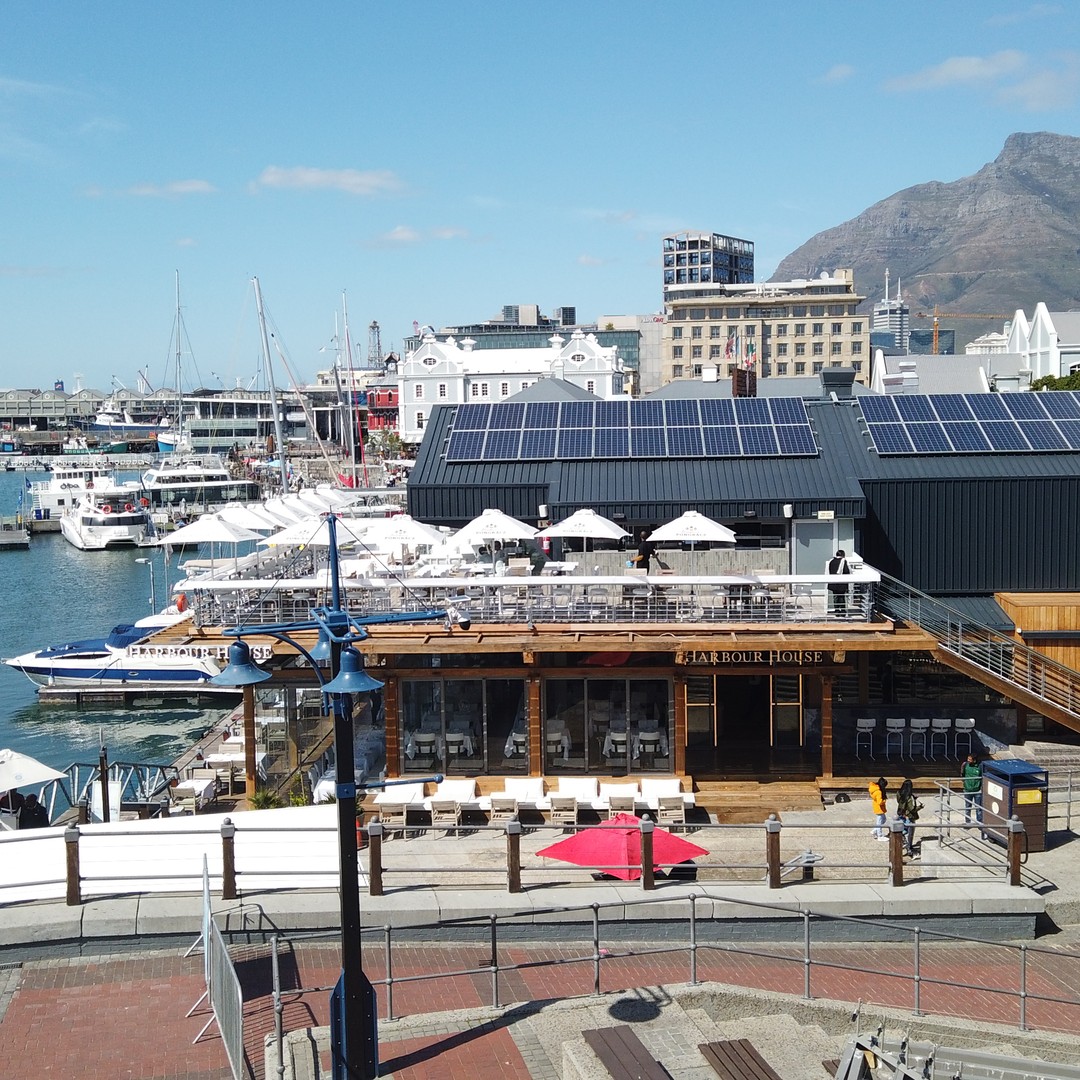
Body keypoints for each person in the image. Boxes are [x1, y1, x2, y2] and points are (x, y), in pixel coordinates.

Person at [896, 779, 923, 857]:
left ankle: (903, 845)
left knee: (903, 831)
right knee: (910, 833)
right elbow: (912, 809)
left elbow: (900, 802)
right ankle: (909, 849)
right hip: (909, 816)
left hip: (901, 814)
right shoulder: (910, 797)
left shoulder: (899, 793)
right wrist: (920, 807)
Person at [827, 549, 851, 614]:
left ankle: (836, 610)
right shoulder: (843, 561)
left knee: (835, 596)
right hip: (841, 583)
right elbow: (846, 571)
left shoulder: (831, 561)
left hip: (833, 582)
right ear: (843, 555)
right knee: (841, 596)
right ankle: (842, 611)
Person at [961, 753, 982, 824]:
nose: (968, 760)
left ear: (974, 760)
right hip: (967, 789)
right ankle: (968, 822)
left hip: (977, 790)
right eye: (968, 759)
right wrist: (965, 784)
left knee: (978, 808)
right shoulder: (965, 765)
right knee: (967, 807)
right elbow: (962, 775)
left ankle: (979, 823)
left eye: (970, 759)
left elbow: (982, 776)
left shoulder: (980, 766)